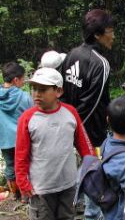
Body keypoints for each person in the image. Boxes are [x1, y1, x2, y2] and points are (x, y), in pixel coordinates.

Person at [15, 67, 95, 220]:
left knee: (67, 217)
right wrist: (23, 182)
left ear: (58, 91)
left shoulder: (70, 113)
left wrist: (92, 166)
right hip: (41, 188)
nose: (37, 93)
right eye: (34, 89)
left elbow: (84, 143)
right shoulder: (27, 118)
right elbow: (21, 154)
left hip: (68, 184)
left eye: (43, 89)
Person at [60, 9, 115, 220]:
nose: (113, 36)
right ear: (98, 35)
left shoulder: (72, 54)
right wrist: (75, 128)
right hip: (90, 129)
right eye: (110, 31)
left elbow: (63, 92)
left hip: (70, 122)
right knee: (93, 170)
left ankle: (73, 204)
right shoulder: (100, 63)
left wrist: (66, 123)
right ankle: (91, 213)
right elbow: (92, 103)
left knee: (77, 166)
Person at [0, 62, 33, 201]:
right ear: (16, 80)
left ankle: (15, 194)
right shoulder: (25, 97)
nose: (24, 81)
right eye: (23, 78)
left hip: (4, 140)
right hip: (22, 139)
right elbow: (33, 116)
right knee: (25, 165)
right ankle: (26, 195)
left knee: (10, 166)